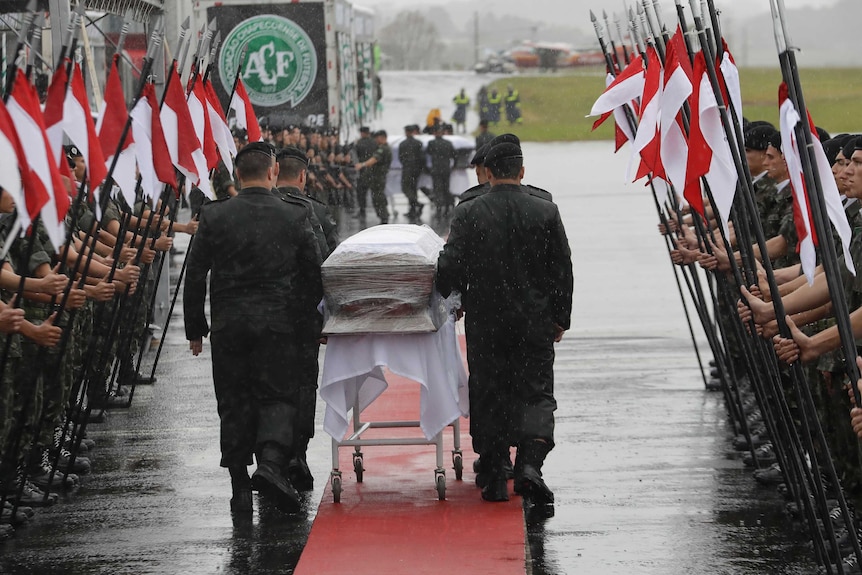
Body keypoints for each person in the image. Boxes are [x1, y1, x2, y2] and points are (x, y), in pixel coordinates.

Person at [183, 141, 323, 515]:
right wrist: (307, 316)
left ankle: (240, 487)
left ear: (238, 174)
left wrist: (196, 328)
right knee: (277, 397)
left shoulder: (214, 216)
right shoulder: (294, 216)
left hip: (229, 328)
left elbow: (195, 274)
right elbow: (314, 272)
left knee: (233, 400)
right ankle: (271, 464)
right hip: (278, 325)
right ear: (273, 172)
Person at [436, 140, 573, 510]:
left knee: (488, 390)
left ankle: (495, 471)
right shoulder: (545, 210)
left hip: (487, 320)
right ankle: (530, 463)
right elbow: (562, 268)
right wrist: (560, 317)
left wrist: (453, 295)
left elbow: (450, 263)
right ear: (522, 172)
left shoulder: (470, 212)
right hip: (534, 321)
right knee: (536, 391)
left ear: (488, 173)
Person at [273, 146, 337, 492]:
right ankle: (297, 452)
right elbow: (329, 266)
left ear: (273, 172)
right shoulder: (317, 212)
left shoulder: (258, 209)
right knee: (302, 385)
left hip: (268, 315)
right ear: (302, 176)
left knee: (267, 385)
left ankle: (271, 456)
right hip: (302, 316)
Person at [354, 130, 392, 224]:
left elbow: (374, 160)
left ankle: (384, 217)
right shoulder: (384, 148)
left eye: (377, 138)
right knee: (378, 197)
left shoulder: (383, 149)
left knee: (378, 197)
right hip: (377, 178)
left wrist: (362, 164)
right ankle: (383, 216)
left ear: (381, 137)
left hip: (378, 178)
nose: (375, 140)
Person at [425, 125, 456, 215]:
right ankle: (447, 206)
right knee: (446, 187)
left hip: (436, 169)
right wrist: (454, 165)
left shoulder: (431, 143)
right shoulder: (448, 143)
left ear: (434, 133)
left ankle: (439, 207)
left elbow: (429, 153)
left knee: (437, 188)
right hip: (446, 169)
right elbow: (454, 155)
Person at [399, 124, 425, 223]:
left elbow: (400, 157)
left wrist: (406, 164)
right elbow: (422, 157)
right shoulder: (418, 143)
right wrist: (420, 168)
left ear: (406, 132)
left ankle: (417, 204)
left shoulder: (402, 144)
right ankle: (412, 210)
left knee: (405, 188)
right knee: (413, 188)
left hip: (407, 168)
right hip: (416, 169)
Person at [353, 126, 377, 221]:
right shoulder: (374, 142)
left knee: (361, 192)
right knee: (376, 192)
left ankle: (362, 210)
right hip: (373, 170)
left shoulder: (359, 143)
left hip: (363, 170)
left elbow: (356, 155)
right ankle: (380, 212)